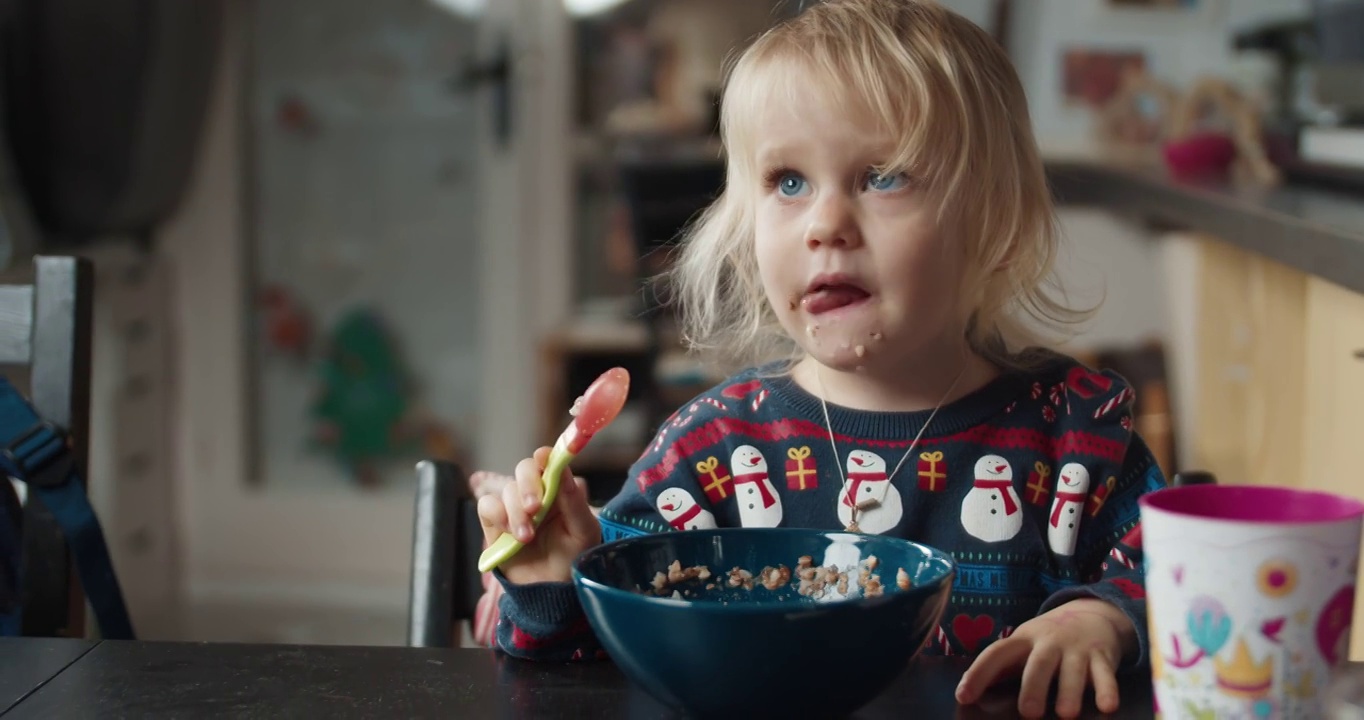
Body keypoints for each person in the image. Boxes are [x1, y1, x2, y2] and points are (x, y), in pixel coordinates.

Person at [476, 1, 1166, 717]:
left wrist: (1103, 617)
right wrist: (553, 586)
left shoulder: (1076, 439)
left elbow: (1182, 578)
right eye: (789, 182)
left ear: (990, 220)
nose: (825, 224)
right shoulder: (712, 453)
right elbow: (592, 664)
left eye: (884, 176)